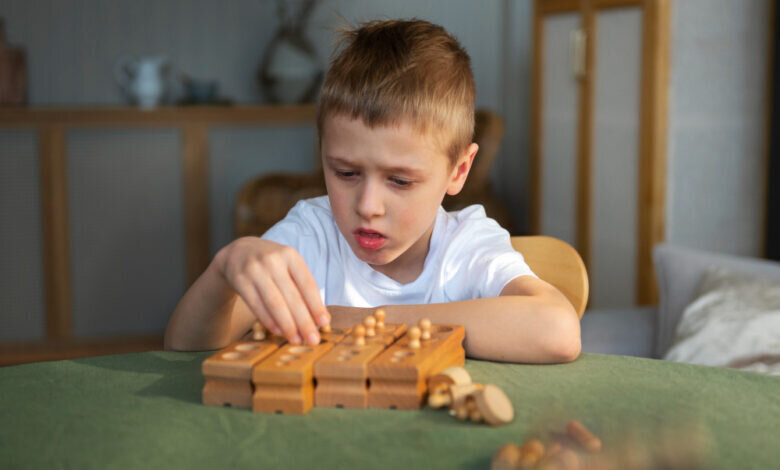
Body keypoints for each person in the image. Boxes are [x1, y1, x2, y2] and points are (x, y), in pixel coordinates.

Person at [165, 19, 580, 363]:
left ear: (459, 171)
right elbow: (185, 347)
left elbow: (557, 331)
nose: (367, 207)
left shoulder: (467, 247)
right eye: (346, 172)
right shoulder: (311, 235)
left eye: (400, 181)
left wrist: (367, 321)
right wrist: (223, 271)